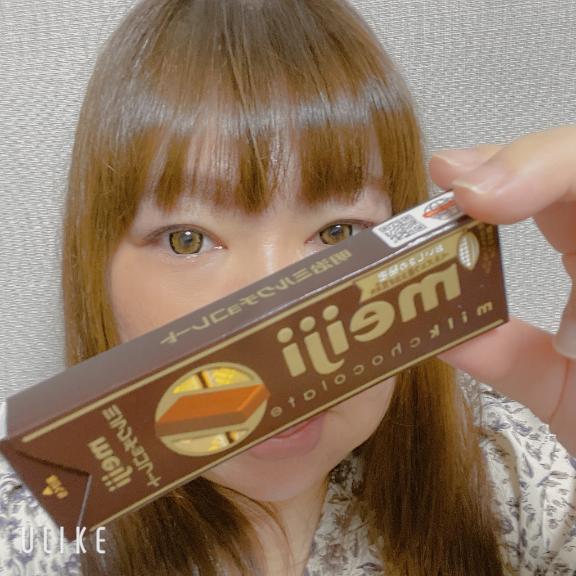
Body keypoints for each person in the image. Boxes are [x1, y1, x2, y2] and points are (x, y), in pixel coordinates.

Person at [1, 0, 575, 574]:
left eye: (339, 233)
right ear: (97, 273)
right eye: (187, 240)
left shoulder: (518, 474)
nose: (274, 316)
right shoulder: (24, 532)